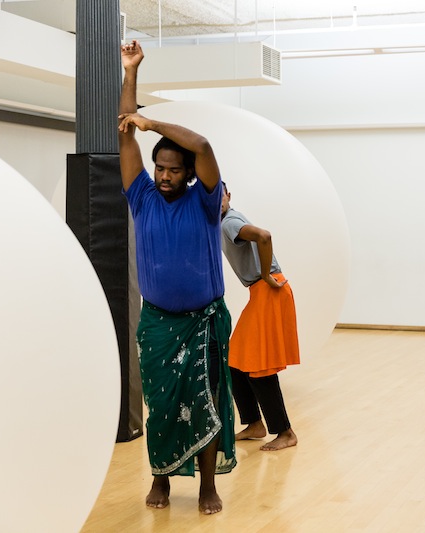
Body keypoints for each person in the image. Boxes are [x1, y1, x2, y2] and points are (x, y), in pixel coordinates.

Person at [118, 40, 235, 515]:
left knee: (208, 402)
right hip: (159, 324)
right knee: (163, 406)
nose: (164, 175)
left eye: (172, 169)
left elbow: (203, 146)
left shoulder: (206, 200)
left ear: (188, 174)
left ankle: (207, 485)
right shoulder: (141, 198)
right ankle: (161, 479)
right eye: (159, 168)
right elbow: (126, 132)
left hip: (204, 320)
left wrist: (155, 122)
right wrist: (131, 73)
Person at [220, 183, 300, 451]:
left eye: (218, 194)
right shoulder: (224, 221)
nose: (214, 200)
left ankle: (285, 432)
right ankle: (254, 424)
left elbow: (264, 236)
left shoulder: (229, 222)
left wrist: (265, 274)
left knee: (258, 364)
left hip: (269, 289)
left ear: (228, 196)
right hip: (262, 291)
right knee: (235, 360)